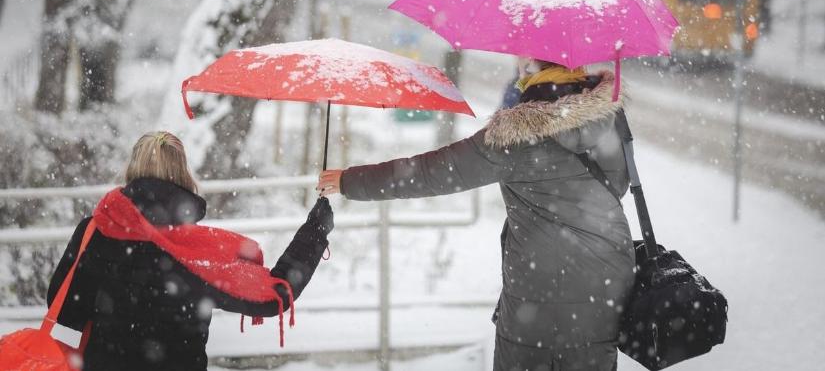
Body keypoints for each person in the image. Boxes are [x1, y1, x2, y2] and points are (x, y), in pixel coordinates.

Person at [318, 59, 635, 371]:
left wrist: (349, 180)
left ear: (530, 65)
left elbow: (432, 172)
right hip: (607, 284)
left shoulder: (516, 135)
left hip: (540, 293)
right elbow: (617, 186)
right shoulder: (609, 117)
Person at [47, 132, 333, 371]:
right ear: (183, 174)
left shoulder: (94, 231)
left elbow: (65, 310)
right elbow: (274, 297)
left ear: (132, 171)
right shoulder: (201, 250)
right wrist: (315, 231)